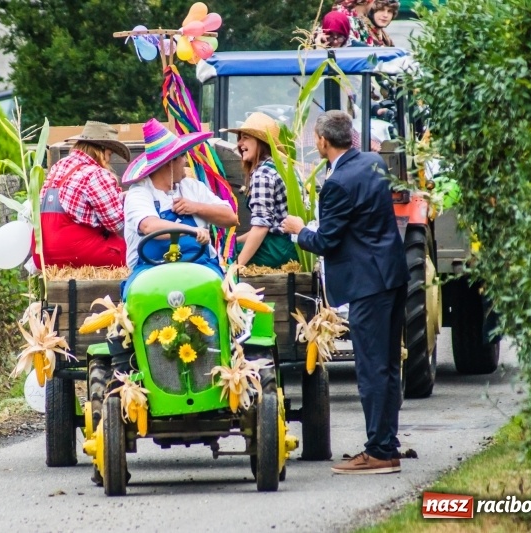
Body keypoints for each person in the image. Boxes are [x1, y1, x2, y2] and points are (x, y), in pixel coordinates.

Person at [282, 110, 408, 474]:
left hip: (368, 283)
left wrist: (297, 229)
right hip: (392, 274)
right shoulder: (370, 162)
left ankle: (379, 452)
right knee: (387, 366)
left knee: (370, 368)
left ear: (322, 141)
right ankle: (387, 444)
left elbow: (325, 241)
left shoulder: (337, 183)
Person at [122, 118, 237, 296]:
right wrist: (191, 230)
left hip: (200, 268)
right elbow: (148, 226)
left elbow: (231, 218)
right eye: (183, 156)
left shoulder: (193, 187)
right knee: (138, 297)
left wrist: (196, 208)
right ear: (170, 162)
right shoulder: (139, 192)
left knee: (218, 294)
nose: (186, 161)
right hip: (150, 271)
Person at [33, 121, 130, 269]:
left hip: (42, 253)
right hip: (72, 252)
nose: (109, 159)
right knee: (130, 253)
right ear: (101, 150)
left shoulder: (60, 166)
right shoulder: (95, 173)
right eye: (109, 154)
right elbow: (116, 224)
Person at [220, 112, 298, 268]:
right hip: (291, 246)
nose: (240, 144)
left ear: (261, 142)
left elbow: (262, 227)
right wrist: (233, 240)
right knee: (228, 246)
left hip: (277, 249)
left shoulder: (263, 173)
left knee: (224, 255)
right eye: (240, 138)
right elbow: (269, 226)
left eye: (246, 138)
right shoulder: (281, 167)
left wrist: (237, 265)